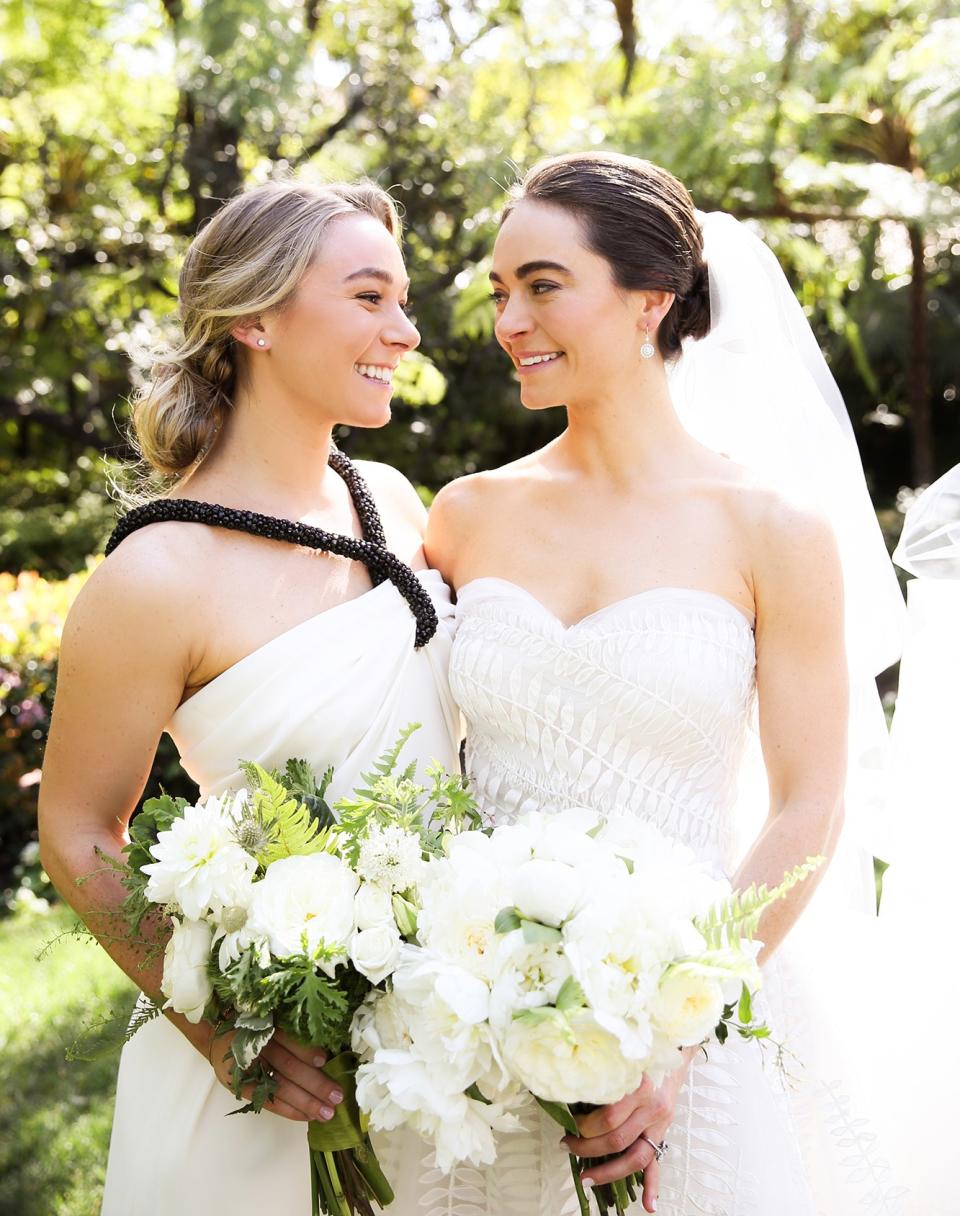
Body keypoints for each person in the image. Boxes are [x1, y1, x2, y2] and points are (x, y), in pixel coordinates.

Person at [426, 151, 910, 1215]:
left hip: (699, 1016)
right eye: (501, 290)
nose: (510, 319)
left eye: (543, 285)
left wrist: (675, 1034)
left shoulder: (771, 529)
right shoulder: (464, 517)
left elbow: (807, 805)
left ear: (651, 298)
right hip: (481, 1025)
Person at [38, 179, 460, 1214]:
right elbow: (79, 829)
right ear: (256, 320)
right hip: (264, 1078)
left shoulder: (394, 503)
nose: (403, 331)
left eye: (402, 302)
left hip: (437, 1051)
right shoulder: (156, 575)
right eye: (370, 298)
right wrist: (232, 1035)